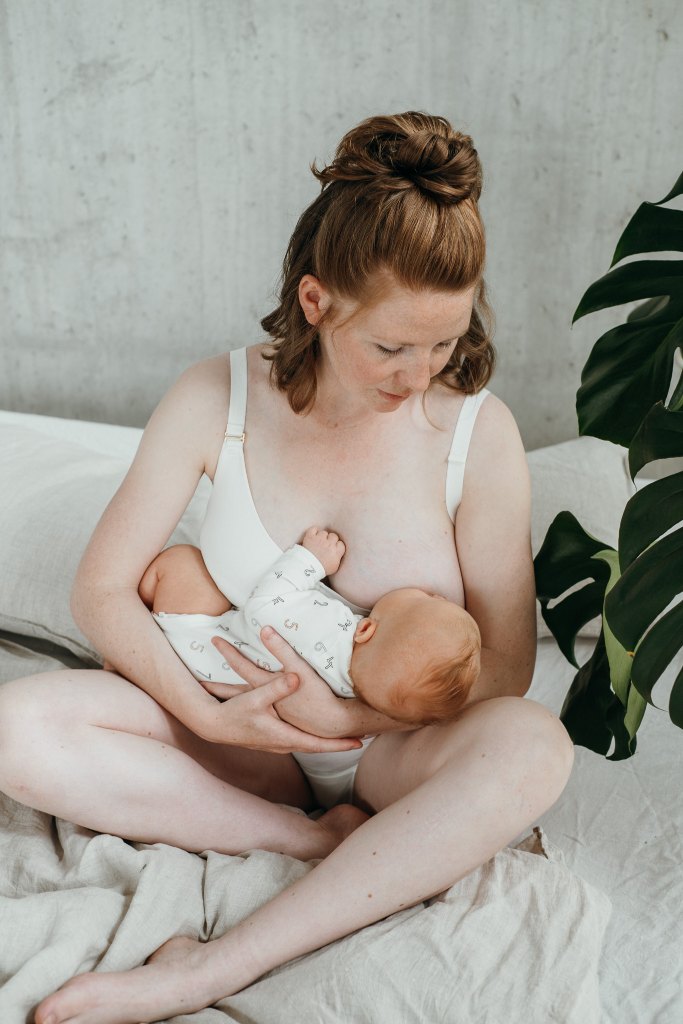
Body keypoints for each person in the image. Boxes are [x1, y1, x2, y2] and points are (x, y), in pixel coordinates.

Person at [0, 111, 574, 1024]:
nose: (421, 372)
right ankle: (305, 842)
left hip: (391, 751)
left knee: (534, 747)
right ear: (315, 302)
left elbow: (504, 668)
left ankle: (209, 970)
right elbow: (101, 593)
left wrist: (342, 717)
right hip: (232, 734)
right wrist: (212, 715)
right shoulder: (213, 398)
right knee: (13, 729)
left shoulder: (476, 432)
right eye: (391, 346)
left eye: (444, 342)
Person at [137, 526, 481, 808]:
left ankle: (139, 629)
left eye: (426, 601)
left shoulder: (330, 632)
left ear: (365, 628)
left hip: (197, 649)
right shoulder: (366, 690)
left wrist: (311, 560)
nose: (436, 595)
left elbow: (264, 608)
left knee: (181, 562)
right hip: (247, 715)